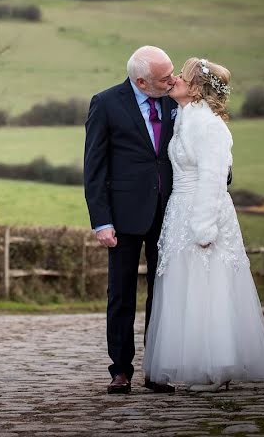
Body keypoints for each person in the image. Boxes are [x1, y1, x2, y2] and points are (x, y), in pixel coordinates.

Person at [142, 57, 264, 392]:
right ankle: (197, 366)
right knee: (186, 288)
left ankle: (217, 368)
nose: (173, 78)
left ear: (197, 88)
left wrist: (204, 227)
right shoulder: (186, 119)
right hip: (180, 211)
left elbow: (214, 178)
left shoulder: (209, 125)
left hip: (203, 212)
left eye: (182, 76)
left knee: (208, 288)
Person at [83, 45, 177, 395]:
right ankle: (120, 369)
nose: (172, 80)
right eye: (164, 77)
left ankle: (156, 368)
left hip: (169, 213)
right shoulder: (106, 103)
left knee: (163, 294)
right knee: (121, 295)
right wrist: (101, 220)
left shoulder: (175, 100)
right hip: (122, 216)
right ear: (141, 80)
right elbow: (94, 167)